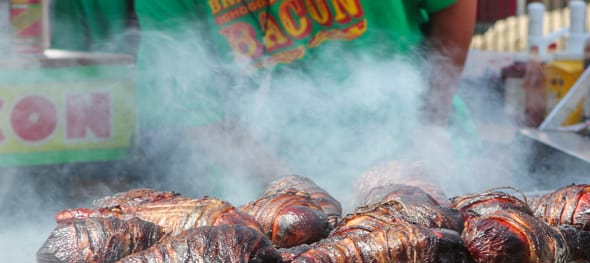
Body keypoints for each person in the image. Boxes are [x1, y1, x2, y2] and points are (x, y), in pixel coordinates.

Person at [131, 0, 479, 205]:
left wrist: (433, 122)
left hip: (416, 154)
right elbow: (193, 105)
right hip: (263, 182)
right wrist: (298, 193)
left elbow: (452, 8)